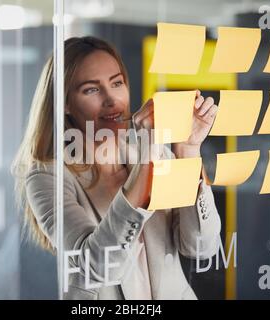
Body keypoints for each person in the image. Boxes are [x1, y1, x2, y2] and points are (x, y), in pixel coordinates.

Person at [12, 36, 221, 300]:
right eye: (91, 89)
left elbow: (202, 248)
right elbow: (96, 265)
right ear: (64, 103)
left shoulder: (152, 153)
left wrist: (189, 149)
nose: (112, 100)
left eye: (117, 83)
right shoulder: (46, 177)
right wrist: (148, 159)